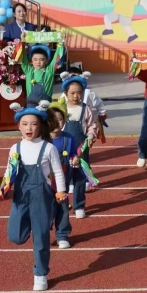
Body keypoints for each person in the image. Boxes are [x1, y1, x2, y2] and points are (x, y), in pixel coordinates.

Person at [0, 101, 67, 292]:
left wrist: (61, 191)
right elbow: (9, 171)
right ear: (19, 126)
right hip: (21, 197)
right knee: (15, 236)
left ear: (40, 126)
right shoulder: (15, 148)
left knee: (41, 239)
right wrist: (3, 189)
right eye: (25, 124)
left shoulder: (48, 148)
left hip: (42, 198)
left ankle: (40, 274)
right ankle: (32, 227)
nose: (29, 128)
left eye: (33, 124)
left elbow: (58, 172)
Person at [59, 72, 98, 219]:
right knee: (63, 176)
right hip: (64, 148)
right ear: (66, 93)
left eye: (79, 93)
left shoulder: (86, 108)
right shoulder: (62, 109)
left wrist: (91, 136)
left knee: (80, 177)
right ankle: (62, 203)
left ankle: (79, 205)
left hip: (81, 147)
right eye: (72, 93)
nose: (76, 96)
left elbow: (92, 124)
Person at [47, 101, 78, 249]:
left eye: (60, 119)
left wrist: (75, 159)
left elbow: (73, 154)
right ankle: (43, 232)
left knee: (63, 209)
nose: (57, 123)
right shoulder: (42, 139)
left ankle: (62, 235)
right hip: (46, 183)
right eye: (53, 119)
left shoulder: (68, 138)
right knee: (45, 209)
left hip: (62, 183)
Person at [20, 42, 66, 107]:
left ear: (47, 61)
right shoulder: (28, 71)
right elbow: (23, 58)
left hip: (46, 106)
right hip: (31, 106)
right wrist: (22, 44)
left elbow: (56, 58)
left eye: (41, 59)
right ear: (31, 61)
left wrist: (60, 45)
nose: (38, 62)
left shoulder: (49, 71)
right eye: (35, 60)